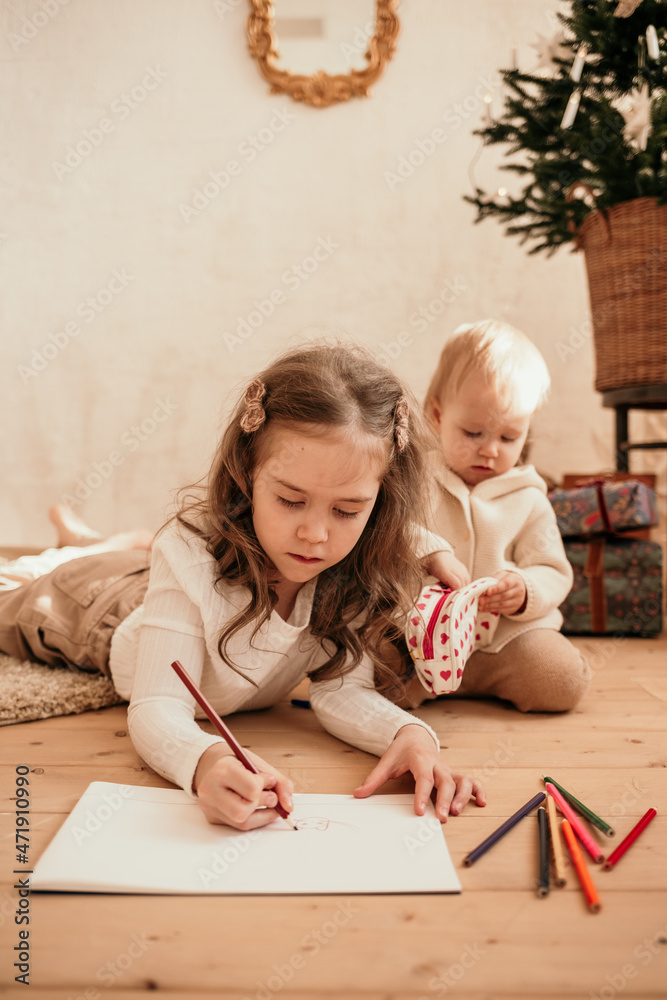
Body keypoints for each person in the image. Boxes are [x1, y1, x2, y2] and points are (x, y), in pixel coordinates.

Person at [0, 343, 486, 831]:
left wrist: (409, 734)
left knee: (132, 560)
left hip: (147, 577)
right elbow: (157, 706)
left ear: (379, 504)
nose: (315, 535)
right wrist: (203, 760)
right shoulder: (188, 552)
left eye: (346, 510)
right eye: (290, 500)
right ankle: (73, 552)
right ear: (246, 472)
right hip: (97, 613)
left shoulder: (353, 566)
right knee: (14, 595)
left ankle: (91, 543)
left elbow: (341, 690)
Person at [398, 319, 590, 712]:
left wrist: (523, 590)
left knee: (562, 680)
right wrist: (431, 552)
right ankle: (431, 677)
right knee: (362, 666)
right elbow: (389, 532)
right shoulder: (415, 479)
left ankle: (470, 679)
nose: (490, 450)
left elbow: (552, 570)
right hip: (421, 639)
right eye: (473, 433)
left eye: (508, 438)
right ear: (437, 416)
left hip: (502, 642)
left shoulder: (529, 498)